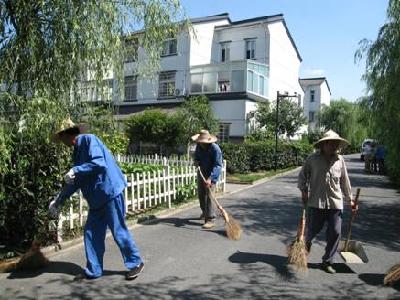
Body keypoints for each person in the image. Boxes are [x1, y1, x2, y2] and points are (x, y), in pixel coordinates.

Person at [48, 118, 144, 280]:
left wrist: (76, 170)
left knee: (118, 230)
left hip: (110, 191)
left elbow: (99, 163)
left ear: (66, 135)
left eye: (61, 138)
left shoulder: (89, 140)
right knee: (91, 233)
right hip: (96, 199)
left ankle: (135, 263)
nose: (61, 142)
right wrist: (58, 201)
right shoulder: (77, 152)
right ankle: (94, 270)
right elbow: (76, 181)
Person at [298, 130, 358, 274]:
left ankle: (327, 261)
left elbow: (344, 181)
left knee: (335, 232)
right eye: (332, 143)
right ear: (324, 144)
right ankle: (301, 253)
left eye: (336, 144)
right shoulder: (312, 159)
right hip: (316, 202)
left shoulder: (340, 160)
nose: (335, 146)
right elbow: (302, 175)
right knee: (312, 231)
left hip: (335, 202)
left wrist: (350, 200)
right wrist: (304, 190)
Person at [192, 130, 223, 229]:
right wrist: (196, 161)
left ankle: (210, 219)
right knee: (201, 194)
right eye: (200, 142)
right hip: (202, 172)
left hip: (212, 173)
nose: (202, 144)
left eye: (203, 143)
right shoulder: (199, 147)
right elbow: (196, 157)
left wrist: (210, 179)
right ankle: (205, 212)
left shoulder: (215, 149)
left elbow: (218, 165)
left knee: (209, 196)